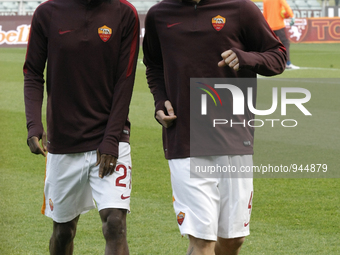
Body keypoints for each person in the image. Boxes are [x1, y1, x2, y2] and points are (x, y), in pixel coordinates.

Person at [143, 0, 286, 254]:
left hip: (233, 138)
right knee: (201, 241)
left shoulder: (242, 9)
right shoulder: (158, 14)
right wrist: (159, 100)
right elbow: (154, 65)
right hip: (184, 139)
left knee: (233, 240)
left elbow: (278, 56)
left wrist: (246, 58)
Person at [23, 0, 139, 254]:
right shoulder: (47, 12)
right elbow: (32, 71)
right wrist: (34, 124)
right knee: (64, 231)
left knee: (115, 223)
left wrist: (111, 139)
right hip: (64, 141)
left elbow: (125, 80)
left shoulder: (124, 13)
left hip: (110, 138)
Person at [263, 0, 300, 69]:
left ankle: (268, 63)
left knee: (270, 45)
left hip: (269, 26)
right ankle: (287, 63)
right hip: (279, 25)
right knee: (285, 43)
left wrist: (264, 25)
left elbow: (265, 14)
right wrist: (292, 16)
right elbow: (286, 6)